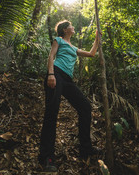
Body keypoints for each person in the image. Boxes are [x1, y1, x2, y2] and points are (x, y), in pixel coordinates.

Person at [38, 20, 101, 172]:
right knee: (52, 112)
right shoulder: (58, 40)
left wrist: (97, 39)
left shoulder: (74, 47)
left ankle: (85, 149)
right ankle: (46, 156)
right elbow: (51, 56)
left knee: (85, 107)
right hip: (56, 74)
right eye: (71, 26)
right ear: (65, 30)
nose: (73, 27)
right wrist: (51, 74)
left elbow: (92, 54)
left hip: (68, 79)